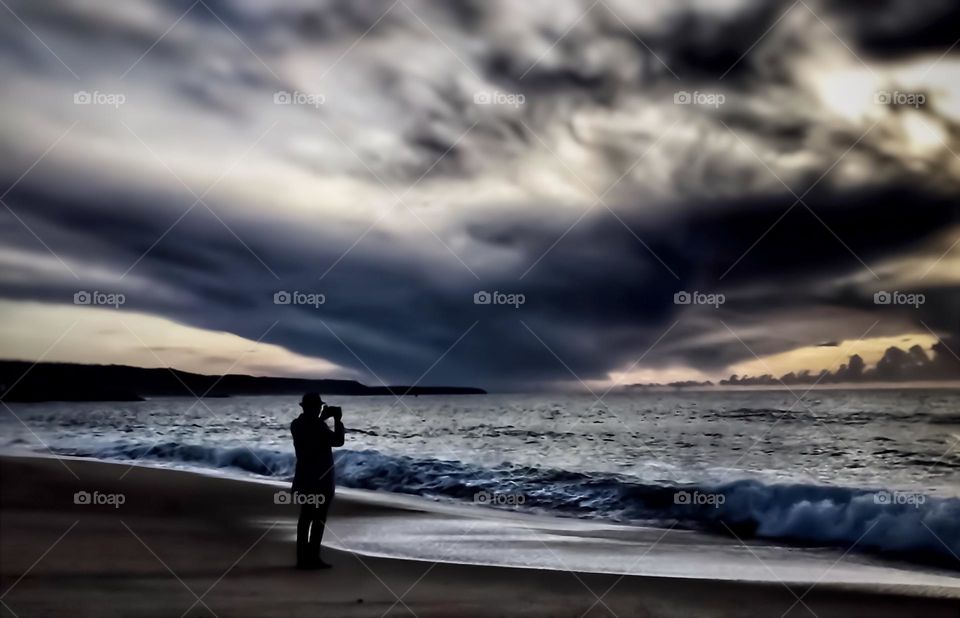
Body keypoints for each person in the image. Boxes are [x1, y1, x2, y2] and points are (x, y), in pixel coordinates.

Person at [290, 392, 345, 569]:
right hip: (321, 480)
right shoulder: (318, 426)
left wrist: (322, 418)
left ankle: (301, 558)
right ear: (315, 408)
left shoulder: (296, 425)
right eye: (319, 407)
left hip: (304, 478)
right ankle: (313, 557)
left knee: (305, 517)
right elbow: (338, 441)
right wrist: (337, 420)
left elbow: (311, 428)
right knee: (319, 519)